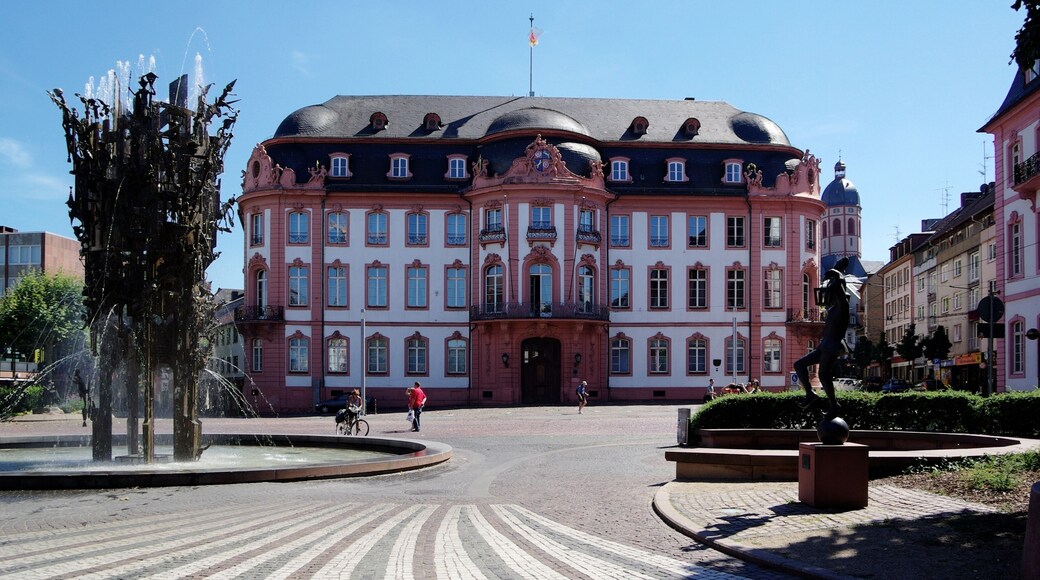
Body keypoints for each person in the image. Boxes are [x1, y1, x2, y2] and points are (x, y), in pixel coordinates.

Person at [794, 257, 860, 417]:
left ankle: (834, 405)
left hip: (832, 346)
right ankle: (810, 394)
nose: (828, 294)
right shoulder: (832, 310)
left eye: (831, 291)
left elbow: (840, 289)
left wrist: (837, 274)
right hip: (824, 345)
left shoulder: (843, 308)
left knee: (823, 376)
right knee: (799, 365)